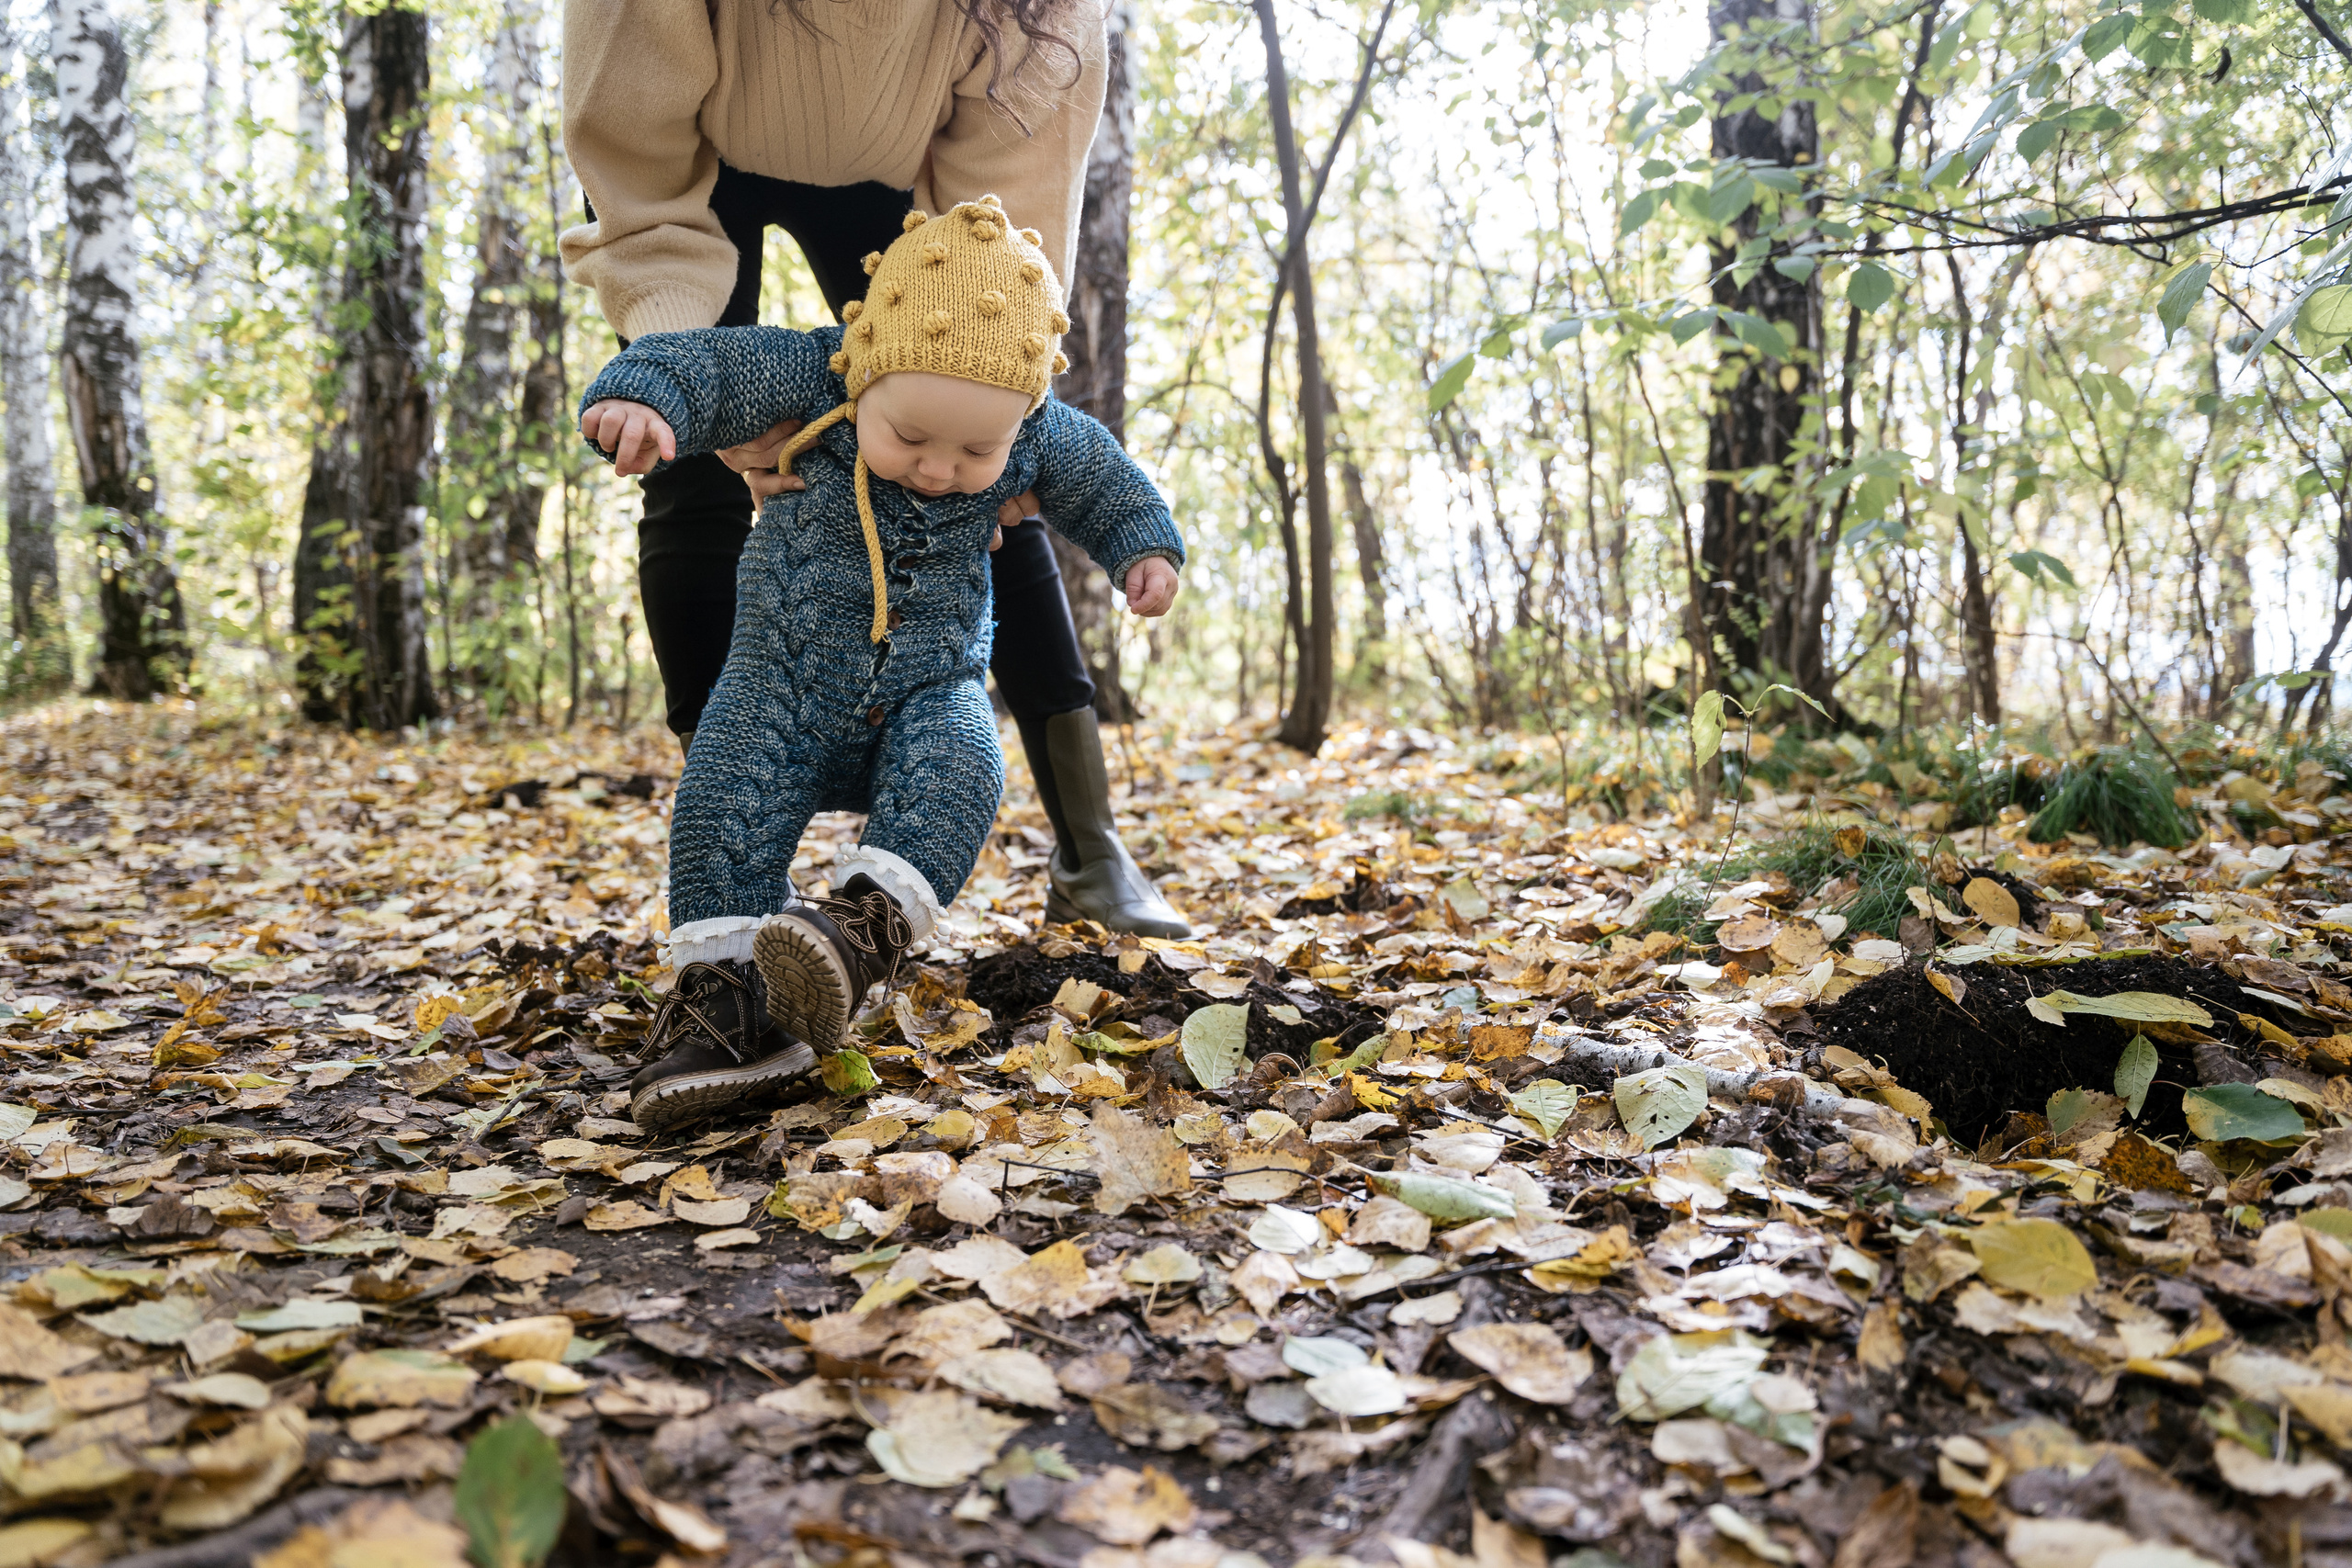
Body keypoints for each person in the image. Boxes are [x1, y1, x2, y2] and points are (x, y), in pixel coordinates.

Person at [560, 0, 1190, 942]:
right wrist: (682, 373)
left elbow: (1010, 192)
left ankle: (1090, 849)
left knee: (977, 472)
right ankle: (736, 838)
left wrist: (987, 397)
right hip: (681, 157)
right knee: (686, 472)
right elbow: (633, 142)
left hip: (904, 172)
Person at [578, 200, 1184, 1132]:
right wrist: (644, 395)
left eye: (977, 450)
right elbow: (707, 360)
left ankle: (857, 936)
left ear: (1020, 420)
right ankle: (728, 1005)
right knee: (721, 803)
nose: (940, 469)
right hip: (778, 679)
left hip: (928, 685)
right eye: (911, 438)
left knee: (965, 769)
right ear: (861, 376)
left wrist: (1144, 547)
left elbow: (1104, 477)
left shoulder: (1035, 432)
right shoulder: (811, 368)